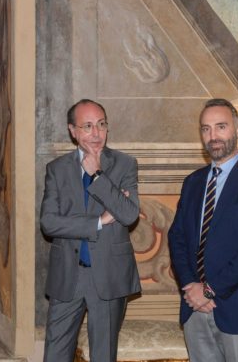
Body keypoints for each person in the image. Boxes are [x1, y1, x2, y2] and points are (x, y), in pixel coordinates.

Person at [168, 99, 238, 362]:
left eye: (221, 127)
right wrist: (191, 286)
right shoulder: (192, 182)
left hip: (237, 309)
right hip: (194, 307)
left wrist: (208, 290)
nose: (213, 136)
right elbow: (177, 237)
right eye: (206, 129)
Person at [40, 99, 141, 362]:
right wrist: (99, 221)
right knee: (55, 354)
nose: (96, 133)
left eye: (101, 124)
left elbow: (129, 214)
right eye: (87, 126)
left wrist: (97, 175)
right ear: (72, 131)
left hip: (109, 275)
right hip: (68, 276)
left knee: (103, 355)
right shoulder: (57, 169)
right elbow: (49, 222)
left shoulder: (124, 164)